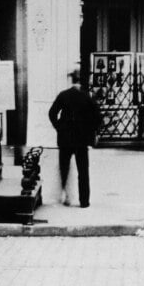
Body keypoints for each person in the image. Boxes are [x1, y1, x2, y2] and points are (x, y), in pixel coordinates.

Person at [48, 69, 102, 208]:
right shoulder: (87, 97)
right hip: (81, 140)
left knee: (64, 168)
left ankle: (66, 196)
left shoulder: (64, 95)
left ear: (72, 81)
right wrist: (92, 132)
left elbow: (52, 113)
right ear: (82, 81)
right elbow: (97, 118)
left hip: (65, 138)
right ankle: (84, 201)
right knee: (83, 171)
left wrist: (58, 126)